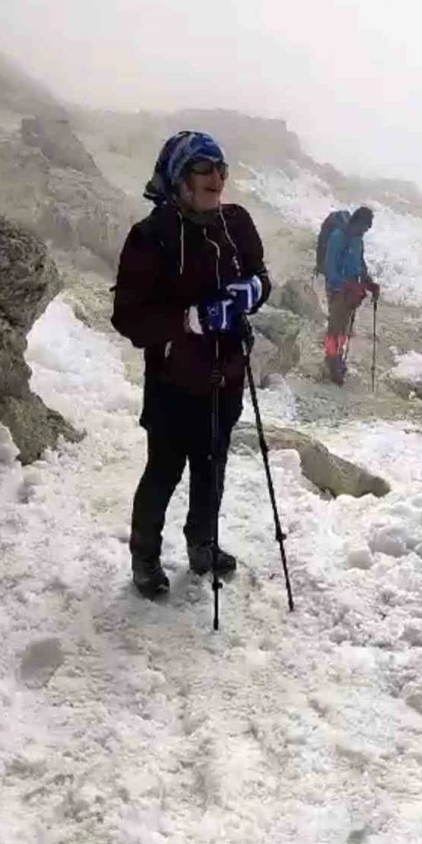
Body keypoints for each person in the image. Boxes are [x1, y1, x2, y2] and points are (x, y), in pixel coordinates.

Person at [111, 130, 271, 598]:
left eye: (220, 169)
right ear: (179, 178)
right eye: (203, 168)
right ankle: (145, 557)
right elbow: (128, 316)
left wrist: (252, 292)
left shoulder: (236, 224)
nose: (216, 178)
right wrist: (189, 320)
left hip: (227, 374)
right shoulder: (151, 237)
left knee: (212, 464)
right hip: (174, 379)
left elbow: (261, 276)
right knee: (164, 469)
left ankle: (202, 542)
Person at [322, 206, 380, 385]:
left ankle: (337, 357)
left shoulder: (357, 239)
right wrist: (343, 286)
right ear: (357, 222)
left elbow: (359, 264)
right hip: (338, 289)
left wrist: (369, 282)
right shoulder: (338, 237)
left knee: (344, 328)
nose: (365, 231)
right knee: (335, 328)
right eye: (365, 227)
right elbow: (329, 266)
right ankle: (332, 363)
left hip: (353, 291)